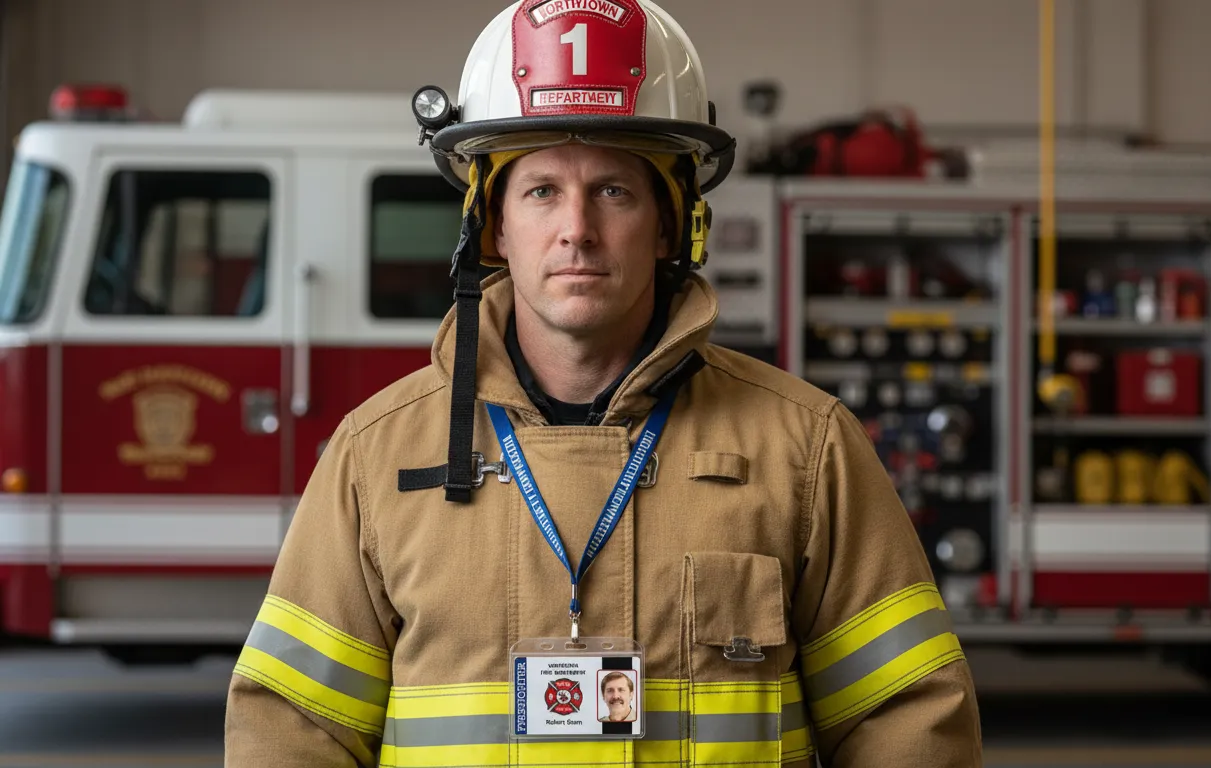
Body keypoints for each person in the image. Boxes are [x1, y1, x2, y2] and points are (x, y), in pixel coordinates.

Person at [222, 0, 983, 765]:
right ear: (494, 227)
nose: (577, 229)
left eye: (614, 190)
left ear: (670, 224)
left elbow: (908, 720)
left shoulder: (806, 449)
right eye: (541, 191)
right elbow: (293, 731)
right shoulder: (375, 455)